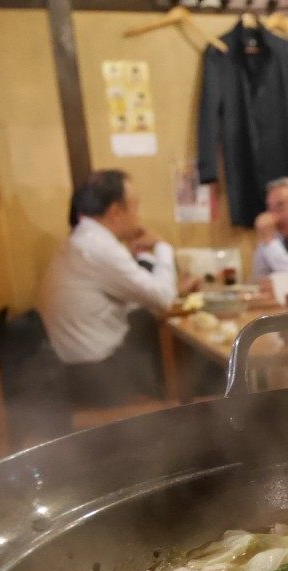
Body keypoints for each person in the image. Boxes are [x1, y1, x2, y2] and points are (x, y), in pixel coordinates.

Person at [40, 169, 199, 406]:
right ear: (115, 212)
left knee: (150, 323)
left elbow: (141, 295)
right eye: (135, 207)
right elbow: (162, 298)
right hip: (97, 375)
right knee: (190, 355)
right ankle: (189, 412)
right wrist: (162, 247)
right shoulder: (98, 247)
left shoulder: (85, 240)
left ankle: (186, 408)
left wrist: (152, 265)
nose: (139, 216)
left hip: (81, 368)